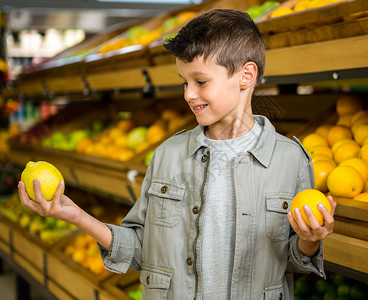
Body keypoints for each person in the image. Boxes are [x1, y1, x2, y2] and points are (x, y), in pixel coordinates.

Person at [18, 9, 336, 299]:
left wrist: (311, 239)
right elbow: (143, 249)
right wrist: (73, 214)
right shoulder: (168, 156)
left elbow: (294, 261)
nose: (188, 94)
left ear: (246, 76)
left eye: (200, 81)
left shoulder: (290, 159)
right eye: (184, 82)